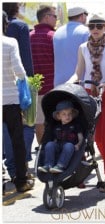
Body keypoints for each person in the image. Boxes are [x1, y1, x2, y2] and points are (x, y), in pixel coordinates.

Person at [68, 14, 105, 188]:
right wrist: (70, 81)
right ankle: (82, 173)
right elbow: (78, 72)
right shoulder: (83, 47)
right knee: (94, 138)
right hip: (89, 93)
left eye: (99, 26)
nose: (95, 29)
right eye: (92, 26)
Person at [2, 10, 34, 192]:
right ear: (6, 24)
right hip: (10, 99)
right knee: (17, 139)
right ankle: (21, 180)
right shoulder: (9, 42)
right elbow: (19, 70)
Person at [30, 5, 56, 149]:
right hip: (53, 86)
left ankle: (42, 152)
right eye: (54, 16)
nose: (56, 20)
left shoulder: (29, 36)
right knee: (56, 119)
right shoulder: (53, 36)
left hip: (35, 87)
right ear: (46, 17)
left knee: (38, 121)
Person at [38, 100, 83, 173]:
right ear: (58, 116)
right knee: (49, 144)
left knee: (68, 146)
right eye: (64, 114)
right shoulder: (56, 127)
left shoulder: (75, 125)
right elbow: (55, 139)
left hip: (70, 146)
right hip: (59, 145)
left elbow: (81, 138)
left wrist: (78, 145)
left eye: (69, 114)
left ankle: (60, 165)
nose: (67, 116)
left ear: (73, 114)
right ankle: (48, 165)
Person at [53, 6, 89, 87]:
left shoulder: (57, 31)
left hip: (59, 82)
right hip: (78, 83)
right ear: (82, 15)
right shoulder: (85, 31)